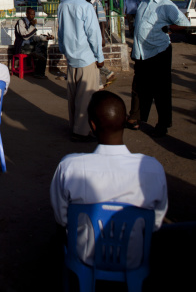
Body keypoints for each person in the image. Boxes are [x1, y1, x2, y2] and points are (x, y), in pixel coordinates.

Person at [50, 90, 167, 266]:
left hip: (85, 257)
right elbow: (156, 224)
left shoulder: (69, 167)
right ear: (124, 122)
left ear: (92, 125)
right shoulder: (153, 169)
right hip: (133, 258)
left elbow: (61, 219)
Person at [126, 0, 190, 137]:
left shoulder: (166, 5)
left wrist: (169, 28)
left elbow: (184, 23)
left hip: (159, 52)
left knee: (161, 91)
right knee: (138, 87)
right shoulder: (144, 3)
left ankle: (163, 124)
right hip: (142, 53)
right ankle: (135, 118)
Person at [57, 0, 104, 142]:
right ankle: (81, 131)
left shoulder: (62, 6)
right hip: (86, 58)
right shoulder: (86, 7)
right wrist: (100, 57)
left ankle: (74, 125)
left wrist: (65, 51)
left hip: (71, 58)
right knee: (86, 96)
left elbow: (60, 32)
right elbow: (94, 34)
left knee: (73, 95)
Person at [13, 7, 53, 79]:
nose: (33, 16)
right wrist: (32, 26)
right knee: (41, 50)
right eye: (31, 14)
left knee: (43, 44)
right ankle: (39, 72)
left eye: (34, 14)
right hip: (22, 47)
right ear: (27, 14)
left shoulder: (31, 24)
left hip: (30, 45)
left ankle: (40, 73)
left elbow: (33, 37)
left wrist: (45, 38)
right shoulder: (21, 22)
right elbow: (25, 36)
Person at [89, 0, 115, 87]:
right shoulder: (89, 3)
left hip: (96, 36)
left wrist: (102, 37)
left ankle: (102, 80)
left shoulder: (97, 3)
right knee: (94, 61)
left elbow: (102, 21)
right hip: (91, 36)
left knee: (94, 60)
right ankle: (104, 77)